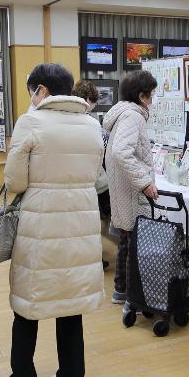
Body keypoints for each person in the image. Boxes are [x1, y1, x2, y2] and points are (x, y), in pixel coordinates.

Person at [2, 64, 105, 377]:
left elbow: (14, 181)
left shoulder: (30, 122)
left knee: (28, 310)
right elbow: (94, 175)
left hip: (40, 226)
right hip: (80, 223)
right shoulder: (92, 125)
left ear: (41, 90)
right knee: (71, 306)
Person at [102, 70, 158, 305]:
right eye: (151, 94)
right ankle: (133, 295)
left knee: (127, 237)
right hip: (132, 190)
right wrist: (144, 181)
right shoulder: (133, 116)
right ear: (142, 95)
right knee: (134, 241)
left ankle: (121, 290)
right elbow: (121, 151)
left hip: (122, 187)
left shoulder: (122, 114)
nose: (152, 99)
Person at [72, 79, 111, 268]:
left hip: (74, 181)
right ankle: (93, 257)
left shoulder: (64, 118)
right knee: (93, 223)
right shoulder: (91, 124)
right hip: (93, 182)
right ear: (87, 99)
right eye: (93, 102)